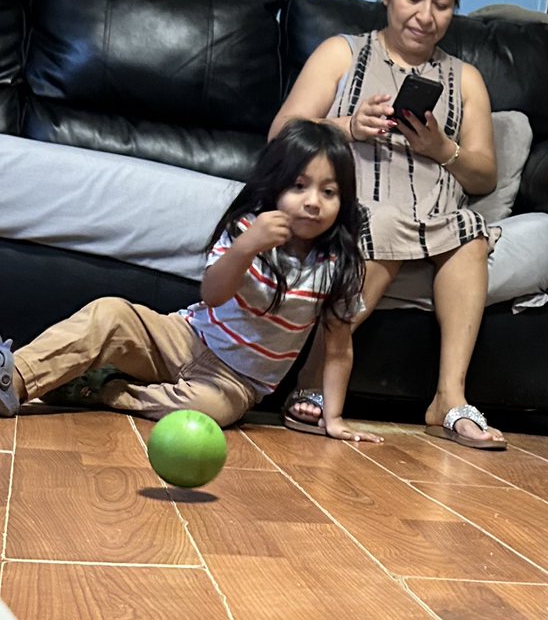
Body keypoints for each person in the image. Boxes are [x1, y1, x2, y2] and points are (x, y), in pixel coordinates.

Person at [269, 0, 507, 450]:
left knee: (471, 231)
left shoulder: (466, 80)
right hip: (366, 211)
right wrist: (349, 125)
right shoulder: (343, 54)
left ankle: (448, 397)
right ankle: (313, 377)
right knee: (384, 221)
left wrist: (442, 148)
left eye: (442, 4)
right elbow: (281, 132)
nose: (425, 17)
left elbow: (484, 174)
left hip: (437, 217)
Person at [0, 120, 377, 442]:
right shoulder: (247, 229)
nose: (313, 202)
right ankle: (13, 378)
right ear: (275, 186)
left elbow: (338, 349)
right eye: (298, 186)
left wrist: (333, 417)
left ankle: (100, 388)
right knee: (109, 313)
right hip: (187, 337)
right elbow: (213, 294)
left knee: (206, 411)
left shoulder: (338, 267)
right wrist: (247, 246)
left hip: (236, 382)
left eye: (329, 192)